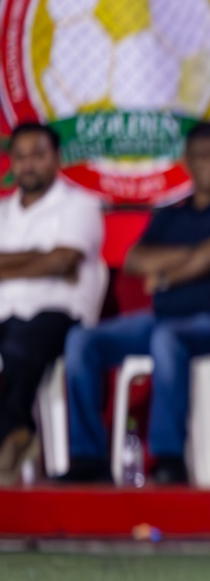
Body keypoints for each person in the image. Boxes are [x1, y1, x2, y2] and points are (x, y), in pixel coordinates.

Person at [63, 122, 210, 485]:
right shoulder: (172, 213)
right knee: (82, 340)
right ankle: (87, 456)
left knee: (167, 339)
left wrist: (168, 274)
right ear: (187, 161)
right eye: (201, 156)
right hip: (158, 319)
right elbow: (135, 260)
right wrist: (206, 259)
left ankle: (169, 457)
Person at [0, 123, 106, 482]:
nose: (29, 165)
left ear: (56, 158)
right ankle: (15, 431)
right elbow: (52, 260)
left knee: (21, 342)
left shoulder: (81, 205)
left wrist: (13, 262)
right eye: (21, 156)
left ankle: (13, 432)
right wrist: (39, 259)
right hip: (5, 315)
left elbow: (63, 260)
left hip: (60, 314)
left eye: (38, 155)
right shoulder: (2, 210)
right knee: (13, 337)